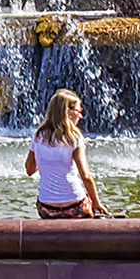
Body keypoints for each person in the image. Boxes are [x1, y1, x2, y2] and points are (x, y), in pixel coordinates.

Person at [26, 88, 105, 219]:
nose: (81, 116)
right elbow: (85, 176)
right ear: (67, 112)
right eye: (79, 111)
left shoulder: (38, 135)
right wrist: (96, 203)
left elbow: (29, 170)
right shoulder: (74, 137)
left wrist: (47, 158)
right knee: (90, 209)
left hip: (46, 208)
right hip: (75, 206)